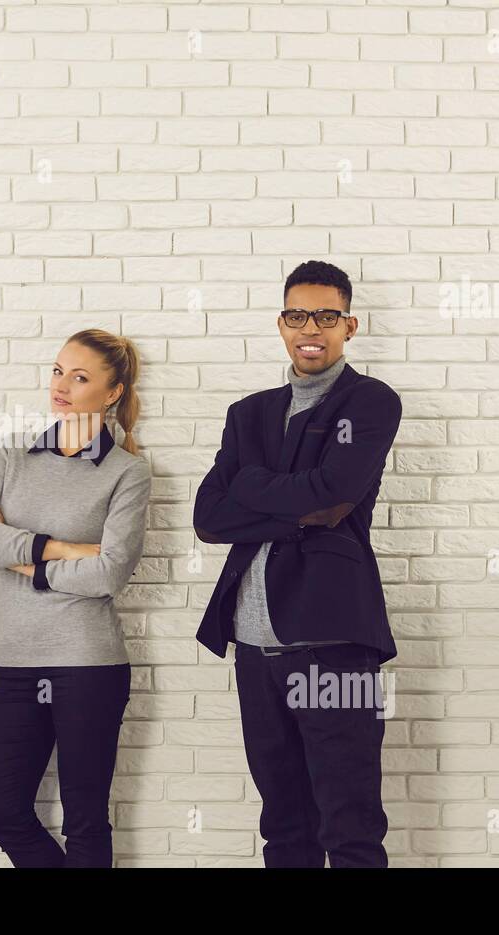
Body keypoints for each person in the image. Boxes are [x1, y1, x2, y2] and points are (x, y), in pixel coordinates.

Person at [194, 260, 402, 867]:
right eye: (296, 315)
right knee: (284, 829)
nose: (311, 327)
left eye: (326, 316)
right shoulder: (249, 413)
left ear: (349, 326)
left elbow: (336, 497)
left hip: (334, 642)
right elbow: (210, 518)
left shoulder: (369, 402)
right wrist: (298, 499)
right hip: (254, 648)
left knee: (350, 827)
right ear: (281, 324)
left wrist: (252, 483)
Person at [0, 329, 152, 867]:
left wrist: (21, 560)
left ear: (112, 393)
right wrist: (59, 548)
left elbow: (109, 573)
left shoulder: (127, 473)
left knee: (85, 820)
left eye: (81, 377)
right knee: (0, 812)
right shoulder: (11, 458)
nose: (62, 386)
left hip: (88, 664)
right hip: (16, 660)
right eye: (58, 370)